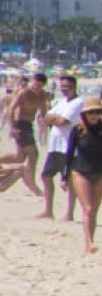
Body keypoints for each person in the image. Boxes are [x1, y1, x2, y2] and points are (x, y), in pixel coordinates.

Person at [65, 96, 102, 254]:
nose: (93, 115)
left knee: (94, 210)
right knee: (87, 208)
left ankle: (89, 242)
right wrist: (64, 176)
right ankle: (90, 242)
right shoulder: (78, 130)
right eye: (90, 112)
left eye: (96, 112)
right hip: (80, 172)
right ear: (85, 114)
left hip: (99, 173)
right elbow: (69, 153)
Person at [38, 74, 84, 221]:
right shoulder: (61, 102)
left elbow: (64, 121)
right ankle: (48, 210)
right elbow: (45, 118)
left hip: (69, 147)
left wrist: (53, 119)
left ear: (74, 87)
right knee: (46, 176)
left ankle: (69, 214)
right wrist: (53, 119)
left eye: (67, 86)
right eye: (62, 86)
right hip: (54, 146)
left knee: (70, 181)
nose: (64, 89)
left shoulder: (78, 102)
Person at [3, 72, 49, 200]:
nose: (36, 87)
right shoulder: (24, 92)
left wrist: (45, 124)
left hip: (29, 125)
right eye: (34, 84)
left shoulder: (42, 96)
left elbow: (43, 112)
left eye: (39, 85)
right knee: (33, 154)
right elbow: (12, 108)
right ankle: (32, 184)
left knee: (19, 157)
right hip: (20, 124)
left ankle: (31, 183)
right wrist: (12, 127)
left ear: (43, 85)